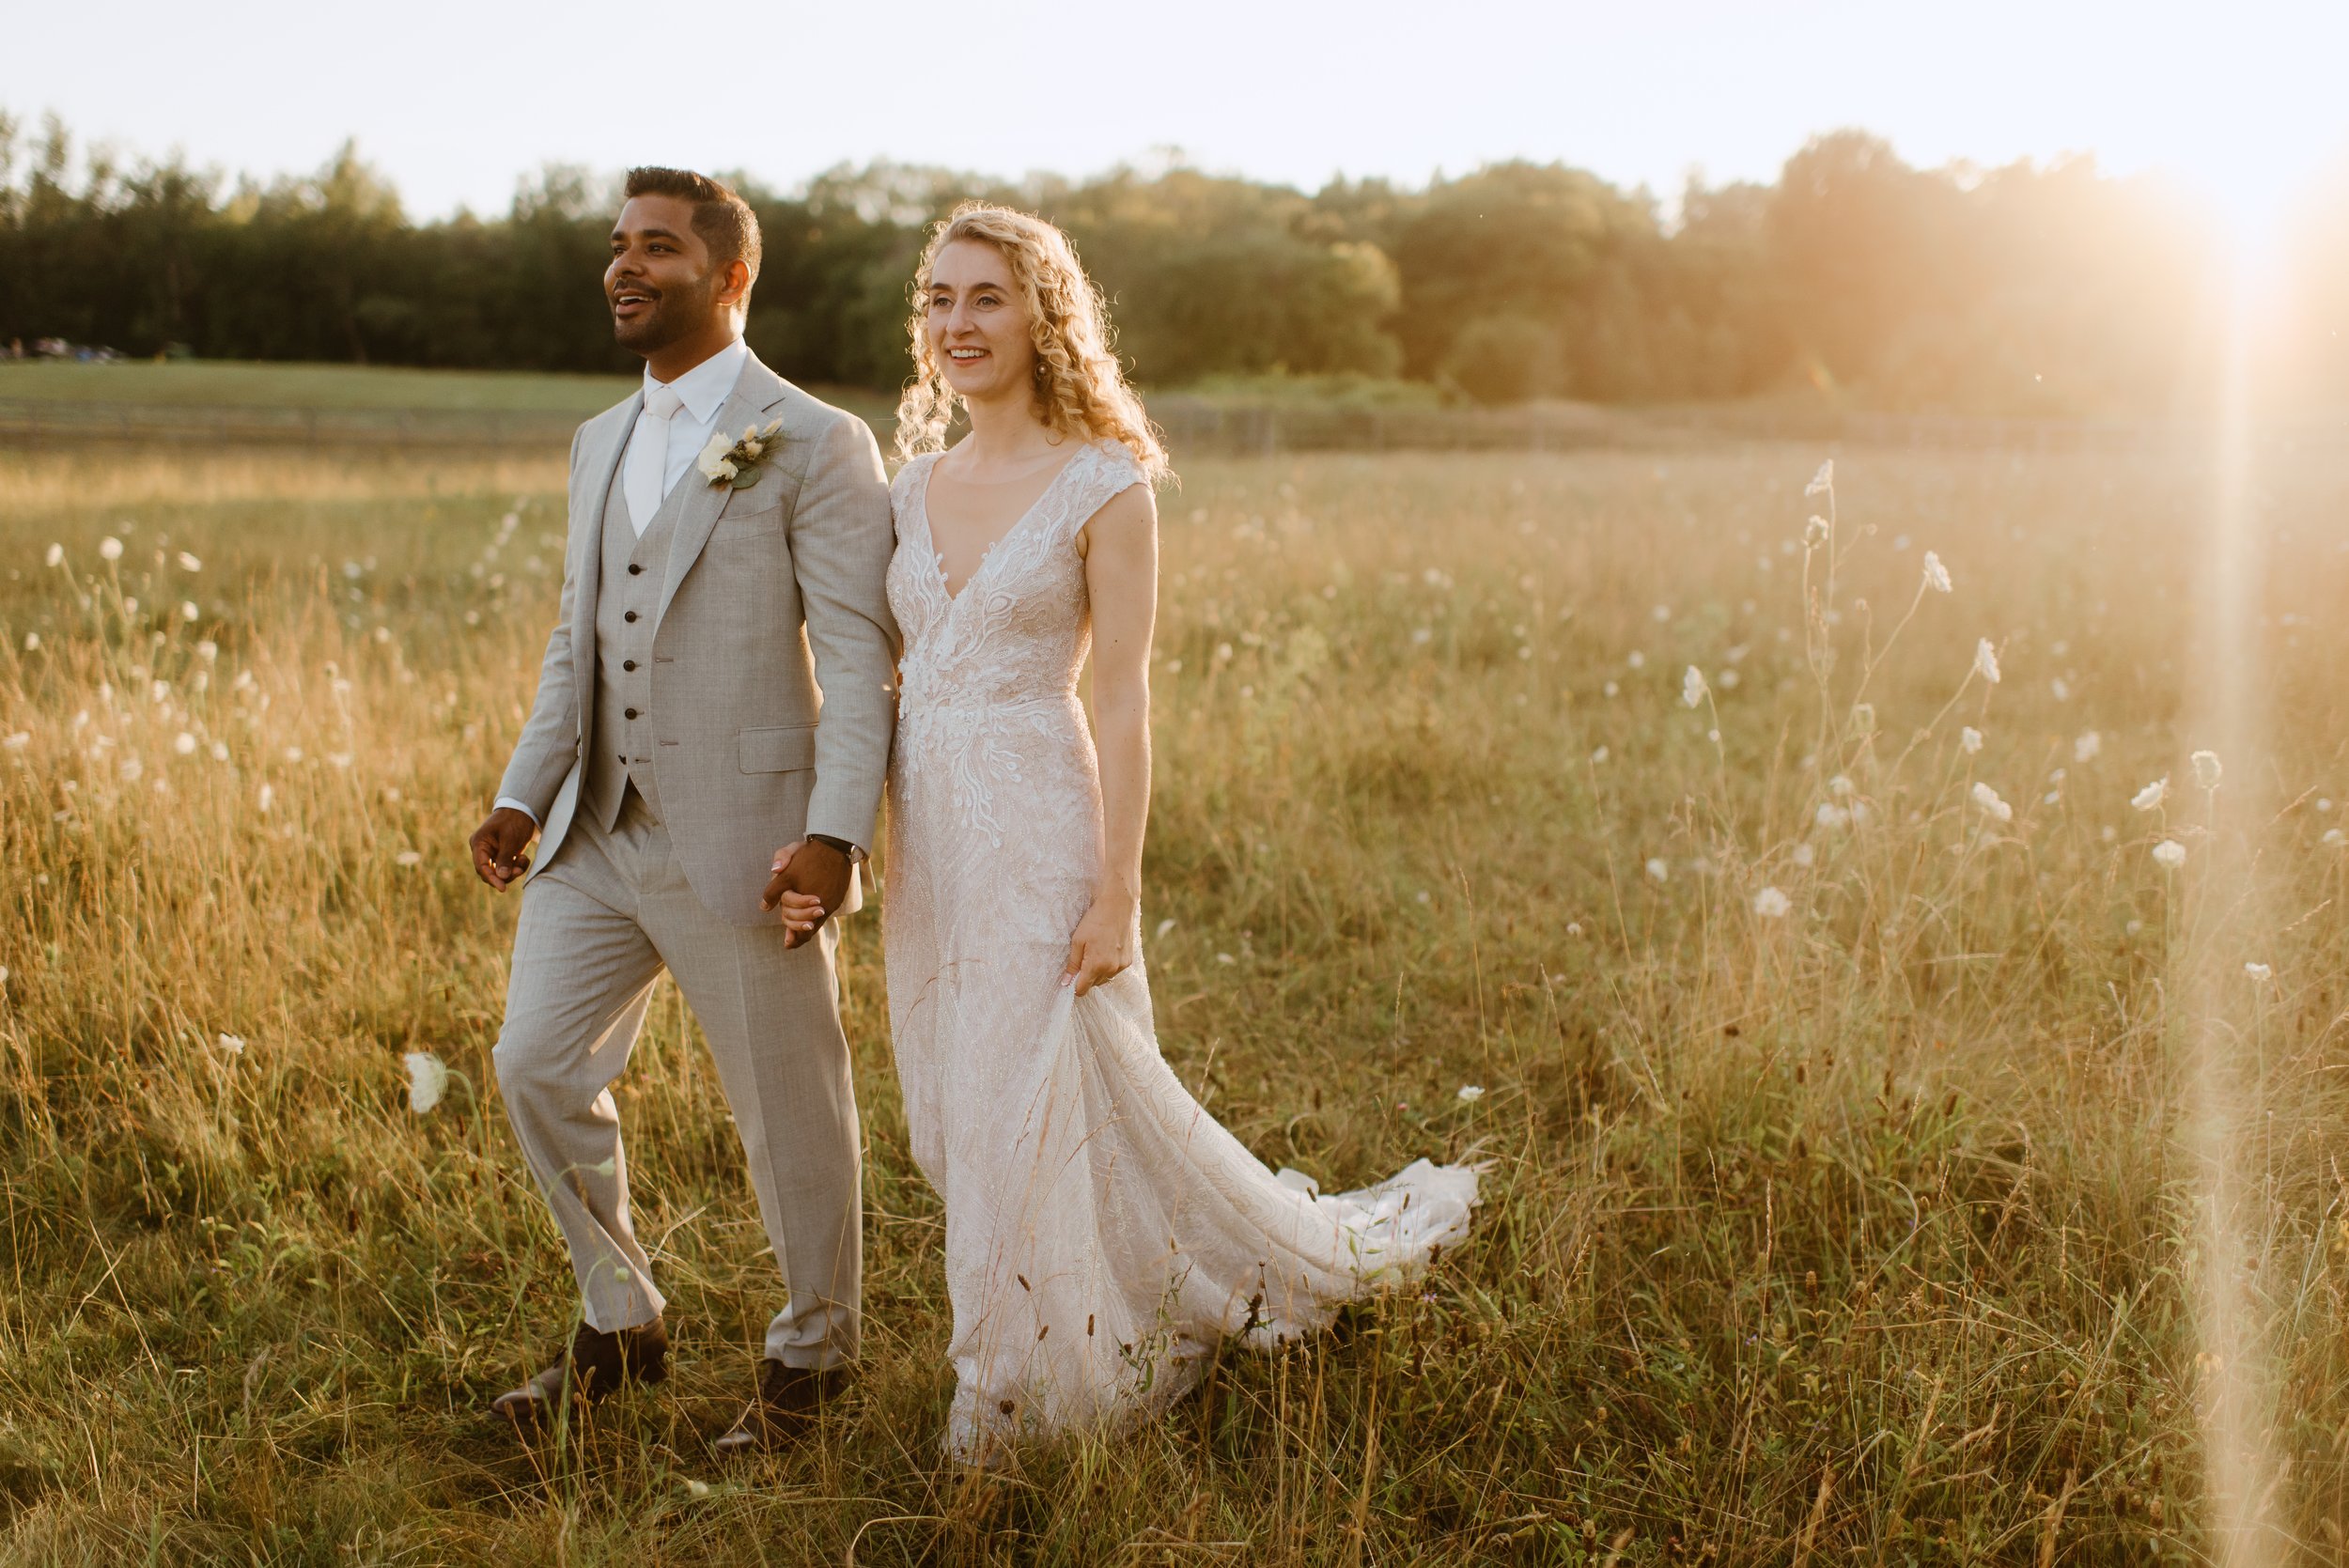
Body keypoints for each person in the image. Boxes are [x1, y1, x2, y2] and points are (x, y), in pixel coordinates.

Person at [773, 203, 1480, 1464]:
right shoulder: (910, 486)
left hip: (1042, 820)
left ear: (1046, 310)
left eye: (985, 295)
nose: (956, 322)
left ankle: (1012, 1394)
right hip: (928, 827)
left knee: (1011, 1105)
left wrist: (1118, 889)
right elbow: (865, 663)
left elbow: (1123, 698)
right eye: (937, 299)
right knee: (948, 1113)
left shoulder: (1107, 483)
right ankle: (1123, 1290)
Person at [467, 167, 896, 1455]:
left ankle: (812, 1358)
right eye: (616, 245)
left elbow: (863, 652)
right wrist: (519, 791)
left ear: (730, 275)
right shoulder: (597, 440)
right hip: (599, 829)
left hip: (755, 840)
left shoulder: (816, 439)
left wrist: (837, 829)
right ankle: (623, 1317)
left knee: (789, 1111)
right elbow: (577, 639)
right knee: (535, 1062)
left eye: (656, 246)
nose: (624, 267)